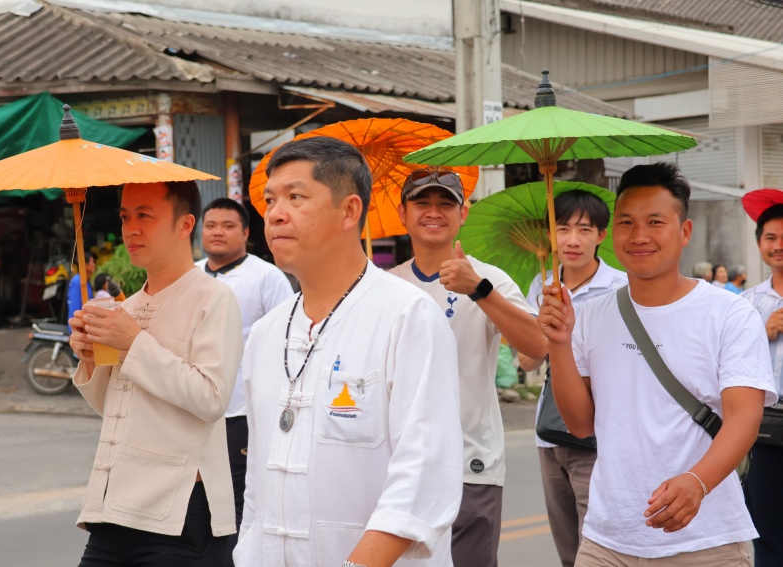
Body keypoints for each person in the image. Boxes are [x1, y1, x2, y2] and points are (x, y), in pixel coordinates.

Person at [235, 137, 463, 567]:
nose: (276, 213)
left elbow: (423, 474)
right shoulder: (266, 333)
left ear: (349, 211)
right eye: (270, 200)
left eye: (295, 197)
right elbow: (257, 484)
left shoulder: (408, 316)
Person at [538, 162, 775, 565]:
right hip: (606, 540)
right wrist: (559, 344)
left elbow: (744, 418)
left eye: (655, 222)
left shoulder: (729, 314)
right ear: (613, 233)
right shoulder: (589, 316)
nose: (639, 236)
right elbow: (580, 424)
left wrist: (697, 482)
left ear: (685, 232)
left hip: (707, 542)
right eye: (627, 223)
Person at [69, 181, 244, 567]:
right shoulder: (126, 308)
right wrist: (90, 359)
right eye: (124, 217)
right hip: (114, 505)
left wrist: (135, 343)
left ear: (185, 225)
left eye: (144, 215)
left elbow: (211, 398)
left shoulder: (214, 298)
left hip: (179, 512)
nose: (130, 229)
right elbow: (117, 410)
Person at [389, 168, 546, 567]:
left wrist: (478, 290)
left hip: (469, 463)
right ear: (403, 213)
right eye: (422, 203)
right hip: (397, 464)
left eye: (446, 204)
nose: (433, 212)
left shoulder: (489, 279)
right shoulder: (384, 286)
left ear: (463, 214)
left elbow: (537, 346)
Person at [518, 189, 626, 567]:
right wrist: (543, 326)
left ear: (601, 235)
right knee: (567, 546)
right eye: (562, 229)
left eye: (584, 229)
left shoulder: (620, 288)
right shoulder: (542, 285)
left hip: (597, 434)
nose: (572, 240)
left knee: (597, 547)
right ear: (551, 236)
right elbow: (528, 361)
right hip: (549, 432)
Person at [195, 197, 293, 559]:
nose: (218, 232)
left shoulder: (267, 277)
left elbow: (287, 341)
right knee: (195, 503)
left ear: (247, 232)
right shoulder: (188, 275)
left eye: (228, 226)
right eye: (211, 225)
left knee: (236, 504)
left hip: (240, 412)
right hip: (193, 409)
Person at [739, 202, 783, 567]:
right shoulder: (746, 303)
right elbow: (731, 366)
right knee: (767, 531)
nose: (778, 245)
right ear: (759, 244)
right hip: (766, 431)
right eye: (770, 237)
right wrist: (763, 332)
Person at [68, 252, 97, 326]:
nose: (94, 265)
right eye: (93, 262)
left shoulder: (87, 282)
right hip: (78, 325)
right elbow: (75, 307)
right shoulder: (77, 281)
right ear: (85, 265)